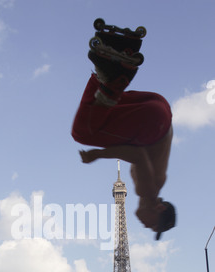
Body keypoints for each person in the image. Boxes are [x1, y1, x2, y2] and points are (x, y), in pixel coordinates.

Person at [72, 19, 175, 239]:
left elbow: (135, 150)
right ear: (160, 209)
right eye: (153, 226)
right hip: (153, 124)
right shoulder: (149, 191)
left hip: (157, 113)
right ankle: (111, 80)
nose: (147, 227)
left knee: (100, 116)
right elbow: (136, 154)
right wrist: (98, 154)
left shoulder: (154, 184)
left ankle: (112, 61)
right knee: (83, 132)